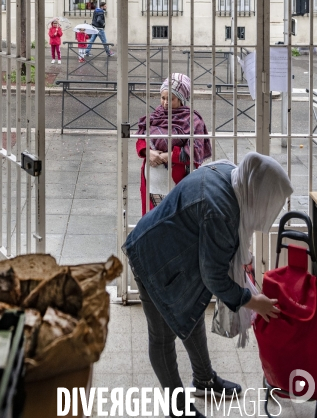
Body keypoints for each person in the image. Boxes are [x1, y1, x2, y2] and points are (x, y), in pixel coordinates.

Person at [123, 152, 292, 418]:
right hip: (152, 258)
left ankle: (204, 380)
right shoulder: (221, 211)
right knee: (162, 337)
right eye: (270, 200)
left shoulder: (231, 175)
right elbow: (214, 277)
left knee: (189, 315)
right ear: (257, 190)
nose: (269, 208)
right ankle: (177, 409)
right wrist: (251, 300)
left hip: (176, 255)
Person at [137, 73, 211, 215]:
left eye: (171, 99)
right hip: (151, 186)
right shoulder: (155, 115)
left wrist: (166, 156)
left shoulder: (193, 120)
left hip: (179, 184)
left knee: (176, 223)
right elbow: (141, 138)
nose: (165, 103)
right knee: (153, 224)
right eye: (163, 98)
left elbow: (195, 152)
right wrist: (148, 152)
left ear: (181, 99)